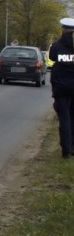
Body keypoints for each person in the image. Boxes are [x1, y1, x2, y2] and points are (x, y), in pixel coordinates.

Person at [49, 17, 74, 159]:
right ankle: (72, 147)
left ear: (63, 30)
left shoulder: (57, 46)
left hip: (61, 87)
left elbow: (52, 59)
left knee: (64, 118)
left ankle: (66, 152)